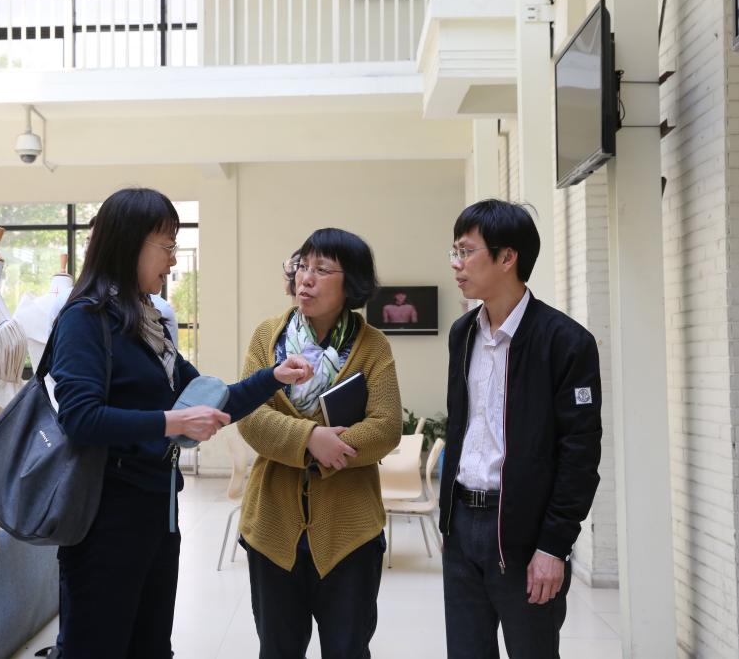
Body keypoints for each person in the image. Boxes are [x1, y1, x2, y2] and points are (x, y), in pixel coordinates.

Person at [49, 187, 313, 658]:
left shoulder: (147, 323)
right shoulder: (86, 319)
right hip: (105, 518)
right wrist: (172, 421)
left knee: (151, 646)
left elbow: (214, 401)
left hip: (158, 512)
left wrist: (273, 377)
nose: (172, 261)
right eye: (167, 246)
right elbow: (80, 418)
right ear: (130, 243)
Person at [439, 199, 603, 658]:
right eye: (455, 251)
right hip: (462, 527)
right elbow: (462, 427)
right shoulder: (462, 334)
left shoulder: (566, 342)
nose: (457, 263)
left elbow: (580, 454)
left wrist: (554, 546)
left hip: (525, 533)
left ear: (507, 257)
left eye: (466, 251)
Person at [237, 228, 402, 659]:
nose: (306, 278)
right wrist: (310, 439)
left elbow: (386, 426)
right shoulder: (267, 336)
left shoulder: (373, 345)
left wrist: (334, 448)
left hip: (350, 529)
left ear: (352, 284)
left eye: (323, 269)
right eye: (302, 266)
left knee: (348, 649)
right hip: (273, 524)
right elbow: (250, 415)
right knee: (278, 649)